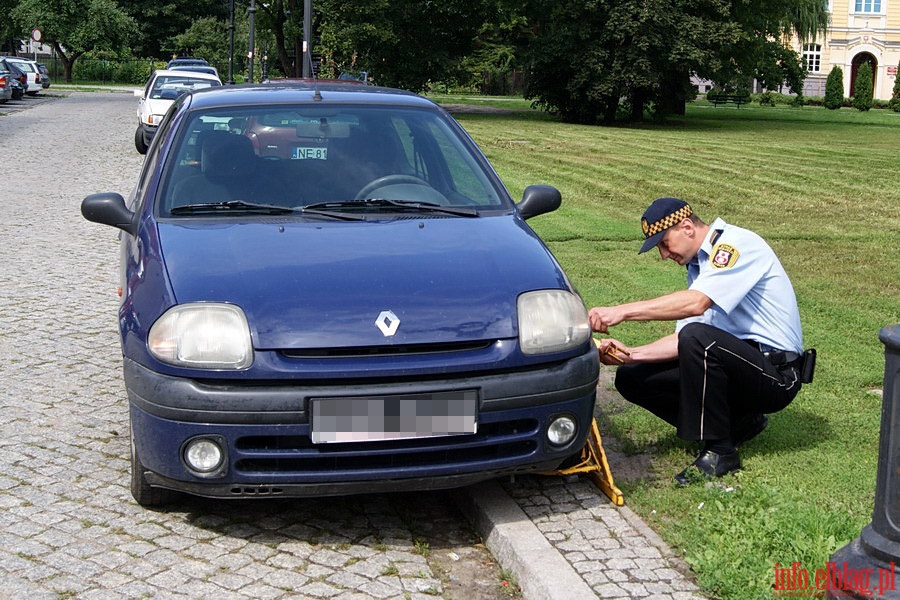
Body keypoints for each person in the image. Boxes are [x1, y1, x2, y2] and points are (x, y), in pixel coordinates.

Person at [589, 197, 805, 485]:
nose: (664, 255)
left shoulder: (734, 245)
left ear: (687, 227)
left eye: (664, 243)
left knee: (699, 339)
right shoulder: (699, 267)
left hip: (777, 375)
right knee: (631, 376)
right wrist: (630, 355)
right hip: (742, 366)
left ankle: (720, 450)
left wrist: (622, 311)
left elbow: (696, 306)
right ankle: (739, 424)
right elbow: (684, 339)